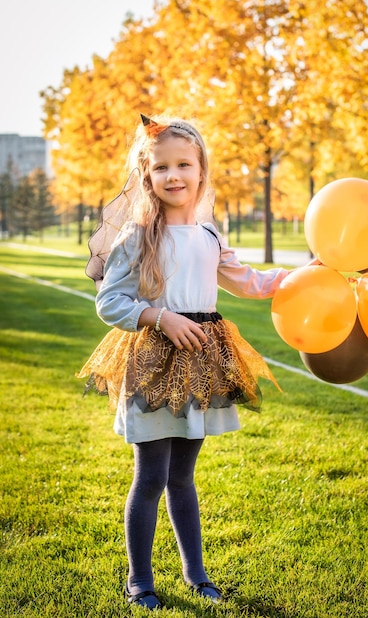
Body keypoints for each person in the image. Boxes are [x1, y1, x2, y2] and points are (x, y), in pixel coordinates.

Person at [77, 114, 290, 610]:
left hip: (201, 363)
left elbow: (252, 283)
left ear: (200, 170)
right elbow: (109, 302)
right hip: (154, 361)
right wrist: (159, 316)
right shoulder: (137, 236)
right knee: (151, 475)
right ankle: (140, 582)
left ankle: (197, 575)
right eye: (161, 168)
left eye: (184, 165)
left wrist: (302, 276)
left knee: (183, 477)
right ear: (147, 177)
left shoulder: (210, 235)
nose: (174, 176)